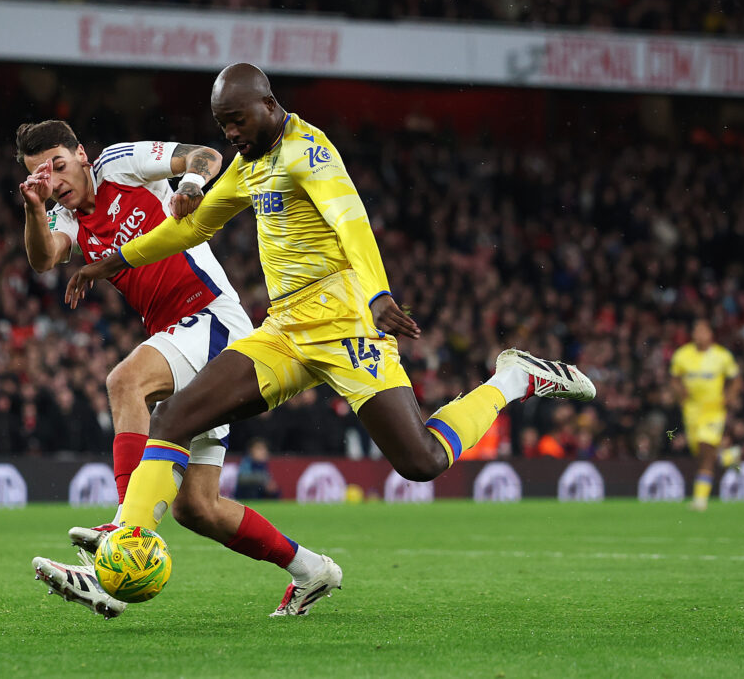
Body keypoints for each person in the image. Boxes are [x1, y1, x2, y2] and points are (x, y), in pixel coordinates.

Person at [65, 63, 597, 616]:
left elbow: (352, 223)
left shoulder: (310, 153)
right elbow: (194, 227)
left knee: (420, 461)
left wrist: (379, 295)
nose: (231, 133)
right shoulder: (249, 163)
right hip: (284, 330)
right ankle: (125, 542)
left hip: (346, 326)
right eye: (223, 124)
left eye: (238, 120)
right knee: (175, 416)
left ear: (269, 104)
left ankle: (513, 378)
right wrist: (114, 262)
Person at [14, 120, 325, 619]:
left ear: (81, 153)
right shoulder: (63, 217)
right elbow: (44, 258)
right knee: (198, 508)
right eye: (41, 175)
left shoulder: (119, 164)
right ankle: (312, 570)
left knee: (125, 381)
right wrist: (34, 208)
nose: (54, 178)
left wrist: (190, 186)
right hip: (182, 336)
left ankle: (122, 528)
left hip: (212, 317)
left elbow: (205, 155)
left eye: (59, 164)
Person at [670, 319, 742, 511]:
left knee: (705, 446)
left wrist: (729, 398)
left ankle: (700, 500)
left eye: (703, 331)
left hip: (713, 410)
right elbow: (675, 379)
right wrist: (680, 392)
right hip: (691, 411)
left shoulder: (722, 356)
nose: (699, 334)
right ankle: (728, 457)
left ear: (711, 334)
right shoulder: (682, 355)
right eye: (696, 330)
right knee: (701, 454)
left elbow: (736, 380)